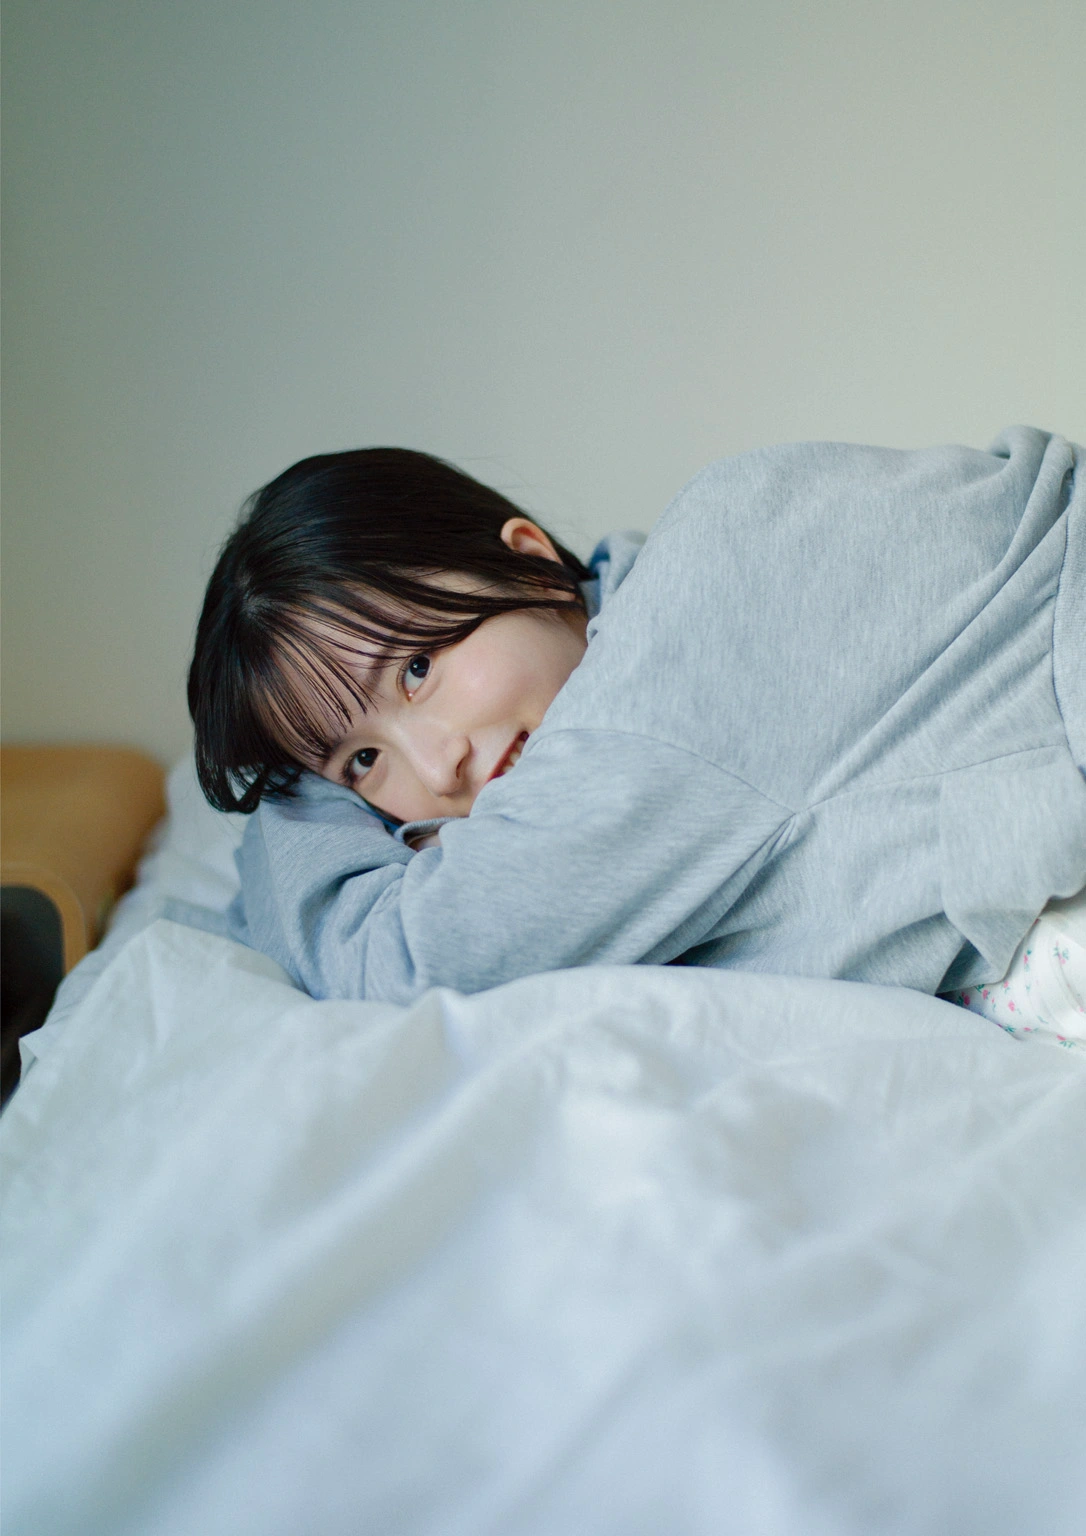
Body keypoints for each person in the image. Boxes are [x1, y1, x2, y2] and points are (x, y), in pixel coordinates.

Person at [188, 428, 1086, 1007]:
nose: (436, 767)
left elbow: (401, 960)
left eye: (417, 669)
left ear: (531, 562)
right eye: (360, 763)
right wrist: (287, 760)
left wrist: (281, 792)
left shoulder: (683, 633)